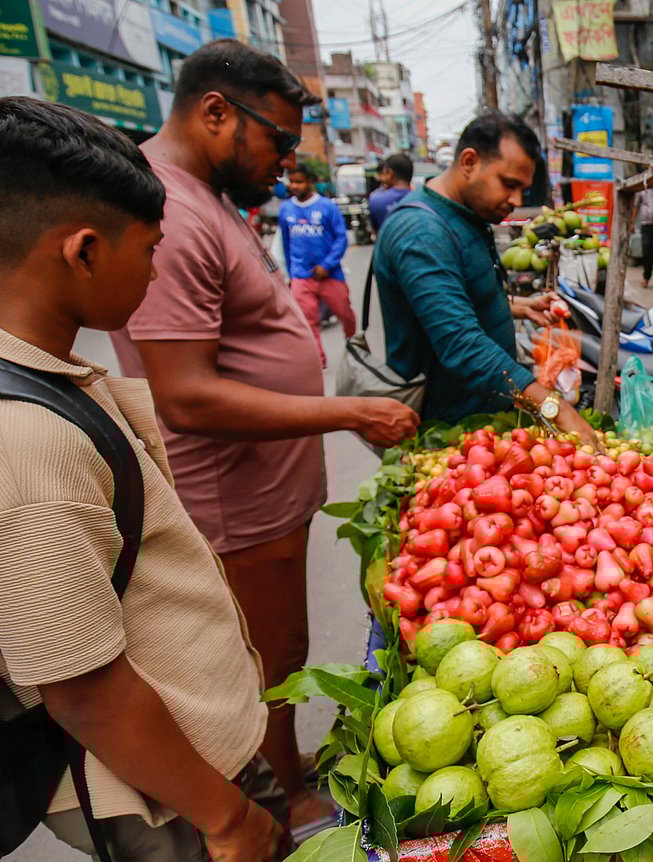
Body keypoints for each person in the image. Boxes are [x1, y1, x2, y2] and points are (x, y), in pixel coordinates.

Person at [108, 40, 419, 833]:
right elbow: (185, 396)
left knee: (276, 653)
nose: (286, 160)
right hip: (230, 499)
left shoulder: (206, 198)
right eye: (278, 140)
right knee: (256, 664)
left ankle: (283, 770)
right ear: (216, 112)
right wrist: (350, 413)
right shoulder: (171, 210)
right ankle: (270, 808)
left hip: (264, 497)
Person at [0, 96, 290, 862]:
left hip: (190, 765)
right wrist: (226, 818)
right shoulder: (28, 440)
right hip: (167, 800)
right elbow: (83, 686)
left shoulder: (49, 380)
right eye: (151, 248)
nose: (157, 268)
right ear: (85, 250)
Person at [374, 111, 598, 444]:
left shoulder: (464, 216)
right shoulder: (421, 231)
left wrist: (516, 306)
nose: (516, 201)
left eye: (523, 189)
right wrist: (554, 406)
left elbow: (455, 295)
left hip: (484, 425)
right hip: (447, 434)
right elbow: (459, 341)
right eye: (509, 184)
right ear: (469, 161)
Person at [279, 164, 355, 367]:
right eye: (292, 181)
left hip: (330, 274)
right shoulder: (285, 209)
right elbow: (286, 243)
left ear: (310, 182)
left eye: (299, 181)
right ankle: (317, 362)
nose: (295, 186)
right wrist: (291, 273)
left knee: (345, 314)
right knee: (307, 321)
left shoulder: (327, 207)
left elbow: (341, 238)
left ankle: (356, 350)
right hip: (301, 275)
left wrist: (327, 264)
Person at [369, 152, 413, 233]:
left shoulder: (376, 199)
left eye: (384, 172)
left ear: (390, 173)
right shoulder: (422, 199)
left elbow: (376, 233)